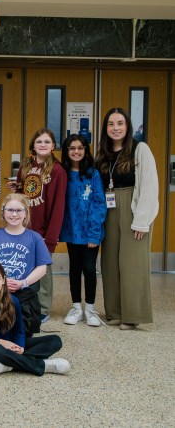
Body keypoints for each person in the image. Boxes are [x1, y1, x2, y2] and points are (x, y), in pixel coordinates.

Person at [95, 108, 158, 330]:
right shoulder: (102, 153)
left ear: (128, 126)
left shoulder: (140, 149)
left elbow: (150, 187)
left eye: (120, 123)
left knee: (132, 264)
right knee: (110, 262)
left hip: (133, 208)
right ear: (106, 128)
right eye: (111, 124)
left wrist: (142, 220)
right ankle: (115, 312)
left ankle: (133, 316)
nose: (115, 128)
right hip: (108, 209)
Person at [0, 260, 70, 376]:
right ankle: (42, 365)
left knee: (55, 341)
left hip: (12, 344)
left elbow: (19, 331)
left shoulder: (12, 301)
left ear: (3, 280)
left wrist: (20, 347)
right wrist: (2, 342)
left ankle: (8, 364)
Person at [8, 128, 66, 323]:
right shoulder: (26, 166)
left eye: (47, 142)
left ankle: (43, 308)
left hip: (43, 229)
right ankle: (25, 304)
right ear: (33, 145)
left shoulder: (57, 170)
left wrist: (51, 237)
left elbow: (58, 205)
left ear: (53, 146)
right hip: (24, 225)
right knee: (24, 266)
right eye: (39, 141)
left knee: (44, 268)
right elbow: (22, 194)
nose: (43, 145)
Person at [59, 134, 107, 327]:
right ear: (66, 151)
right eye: (72, 148)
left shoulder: (93, 174)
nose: (76, 151)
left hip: (90, 233)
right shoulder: (62, 173)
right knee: (74, 268)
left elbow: (99, 203)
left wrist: (94, 233)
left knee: (89, 268)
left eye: (80, 148)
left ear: (86, 150)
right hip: (72, 231)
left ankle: (91, 309)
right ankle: (76, 307)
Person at [0, 193, 52, 336]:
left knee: (23, 335)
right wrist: (1, 283)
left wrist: (23, 282)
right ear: (3, 212)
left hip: (25, 296)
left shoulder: (34, 237)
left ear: (26, 213)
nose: (14, 214)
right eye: (10, 210)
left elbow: (42, 267)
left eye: (19, 210)